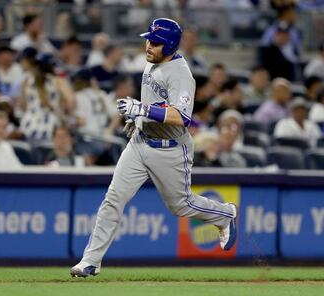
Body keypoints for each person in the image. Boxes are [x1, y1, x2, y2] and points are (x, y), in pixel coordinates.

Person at [70, 18, 237, 278]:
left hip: (170, 149)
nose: (148, 45)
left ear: (169, 45)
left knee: (180, 206)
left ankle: (224, 214)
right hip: (140, 143)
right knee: (113, 199)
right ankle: (90, 261)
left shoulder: (181, 74)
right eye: (148, 39)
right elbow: (154, 103)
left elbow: (182, 117)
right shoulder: (152, 62)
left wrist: (143, 109)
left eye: (155, 42)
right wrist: (139, 119)